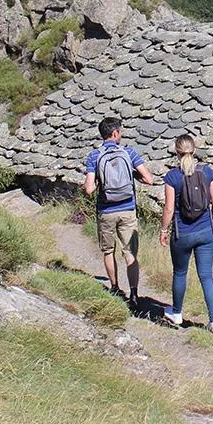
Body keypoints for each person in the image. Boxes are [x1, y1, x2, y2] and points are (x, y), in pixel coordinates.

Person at [83, 116, 156, 303]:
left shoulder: (94, 156)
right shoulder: (129, 152)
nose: (121, 134)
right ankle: (134, 293)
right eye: (120, 132)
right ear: (115, 133)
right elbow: (149, 179)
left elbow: (89, 189)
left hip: (106, 211)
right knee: (130, 252)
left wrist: (100, 180)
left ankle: (115, 288)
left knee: (108, 251)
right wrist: (133, 176)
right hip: (128, 209)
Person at [158, 133, 213, 334]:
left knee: (180, 273)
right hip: (205, 232)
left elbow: (168, 209)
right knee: (206, 276)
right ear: (194, 151)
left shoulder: (172, 177)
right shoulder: (207, 172)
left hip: (182, 234)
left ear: (176, 152)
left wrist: (163, 230)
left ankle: (177, 313)